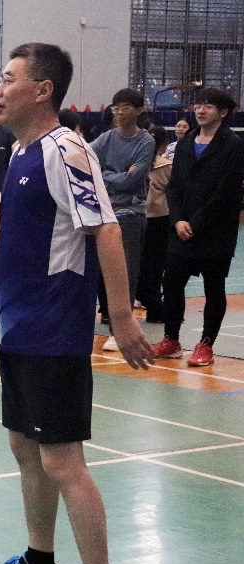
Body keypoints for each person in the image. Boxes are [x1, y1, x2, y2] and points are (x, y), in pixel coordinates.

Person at [0, 43, 153, 564]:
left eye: (9, 79)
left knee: (62, 460)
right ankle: (39, 561)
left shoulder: (67, 151)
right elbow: (28, 240)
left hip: (54, 327)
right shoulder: (20, 153)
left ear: (42, 89)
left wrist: (121, 317)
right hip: (19, 323)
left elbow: (106, 229)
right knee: (24, 448)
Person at [151, 88, 244, 367]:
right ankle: (171, 339)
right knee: (171, 283)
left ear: (223, 112)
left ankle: (206, 344)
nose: (201, 110)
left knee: (213, 287)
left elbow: (226, 194)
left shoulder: (233, 145)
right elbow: (174, 187)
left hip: (215, 231)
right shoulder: (185, 142)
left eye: (208, 106)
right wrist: (178, 220)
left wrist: (196, 223)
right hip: (181, 229)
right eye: (198, 105)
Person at [90, 88, 155, 351]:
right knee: (96, 271)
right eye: (116, 108)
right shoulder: (105, 138)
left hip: (130, 213)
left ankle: (121, 332)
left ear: (139, 110)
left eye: (126, 108)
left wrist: (106, 174)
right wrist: (114, 174)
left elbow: (132, 180)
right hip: (102, 210)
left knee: (126, 272)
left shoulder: (146, 141)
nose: (119, 113)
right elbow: (87, 163)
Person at [135, 125, 173, 324]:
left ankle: (155, 308)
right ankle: (156, 308)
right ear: (164, 144)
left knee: (141, 266)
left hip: (140, 218)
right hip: (158, 220)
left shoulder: (137, 163)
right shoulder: (166, 166)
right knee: (154, 269)